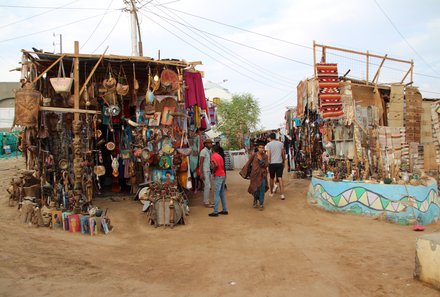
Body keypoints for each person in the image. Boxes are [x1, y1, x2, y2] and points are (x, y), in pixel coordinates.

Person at [241, 141, 269, 210]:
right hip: (254, 175)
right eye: (260, 147)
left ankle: (261, 203)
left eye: (263, 148)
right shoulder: (254, 155)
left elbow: (265, 165)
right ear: (258, 148)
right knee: (254, 190)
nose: (262, 149)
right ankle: (255, 199)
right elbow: (248, 163)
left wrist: (261, 160)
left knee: (262, 190)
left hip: (262, 175)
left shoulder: (265, 156)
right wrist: (244, 172)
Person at [208, 145, 228, 217]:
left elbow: (215, 165)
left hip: (218, 175)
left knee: (216, 194)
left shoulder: (213, 156)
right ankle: (224, 209)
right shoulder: (220, 156)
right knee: (221, 193)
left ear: (212, 150)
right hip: (223, 175)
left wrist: (213, 172)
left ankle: (215, 211)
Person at [265, 132, 286, 200]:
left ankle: (271, 192)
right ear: (275, 137)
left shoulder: (268, 144)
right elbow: (283, 153)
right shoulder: (280, 144)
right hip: (279, 163)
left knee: (271, 178)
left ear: (270, 138)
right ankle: (282, 194)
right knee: (280, 178)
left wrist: (268, 163)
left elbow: (269, 155)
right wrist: (283, 161)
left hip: (272, 164)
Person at [199, 138, 213, 207]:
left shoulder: (208, 151)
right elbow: (201, 163)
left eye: (211, 143)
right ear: (206, 144)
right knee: (208, 186)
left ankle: (206, 201)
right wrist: (201, 173)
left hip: (208, 171)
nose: (211, 144)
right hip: (204, 171)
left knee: (207, 187)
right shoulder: (203, 151)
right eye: (209, 143)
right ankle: (206, 203)